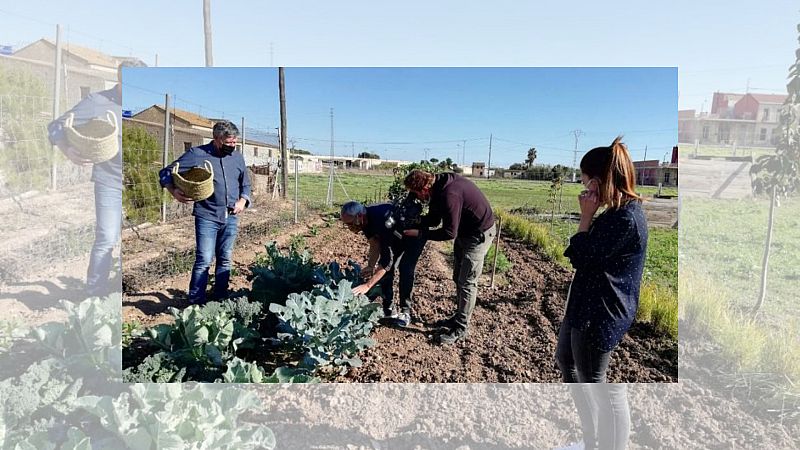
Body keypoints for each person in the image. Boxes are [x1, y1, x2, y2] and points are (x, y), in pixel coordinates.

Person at [554, 136, 646, 450]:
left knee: (600, 386)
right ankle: (592, 440)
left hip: (601, 314)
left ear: (597, 180)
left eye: (585, 182)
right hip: (584, 306)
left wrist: (584, 217)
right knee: (567, 362)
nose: (584, 190)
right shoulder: (614, 213)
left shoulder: (624, 219)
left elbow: (580, 256)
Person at [47, 60, 145, 297]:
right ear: (120, 79)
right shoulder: (97, 102)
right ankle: (94, 294)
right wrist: (67, 150)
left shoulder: (140, 105)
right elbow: (56, 126)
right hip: (109, 180)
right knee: (107, 237)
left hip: (136, 183)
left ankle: (117, 288)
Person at [159, 120, 251, 304]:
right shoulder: (197, 154)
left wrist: (243, 200)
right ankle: (196, 301)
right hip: (207, 215)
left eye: (235, 142)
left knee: (225, 259)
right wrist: (173, 190)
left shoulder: (237, 158)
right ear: (216, 139)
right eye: (229, 143)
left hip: (231, 216)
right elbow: (166, 172)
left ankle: (220, 298)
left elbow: (246, 183)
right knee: (204, 260)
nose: (233, 146)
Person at [402, 169, 496, 344]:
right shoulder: (436, 188)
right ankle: (458, 317)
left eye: (415, 193)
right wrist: (416, 220)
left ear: (423, 189)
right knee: (457, 276)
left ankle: (461, 328)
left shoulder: (449, 194)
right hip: (465, 231)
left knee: (467, 282)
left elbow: (449, 232)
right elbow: (434, 219)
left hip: (478, 234)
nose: (414, 197)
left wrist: (421, 233)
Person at [340, 200, 426, 327]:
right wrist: (370, 265)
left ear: (359, 217)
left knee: (405, 269)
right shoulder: (365, 221)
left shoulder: (382, 221)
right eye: (346, 224)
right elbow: (374, 243)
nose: (349, 227)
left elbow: (386, 261)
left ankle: (405, 312)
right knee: (387, 272)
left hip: (412, 237)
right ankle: (389, 309)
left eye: (350, 223)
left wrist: (368, 286)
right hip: (395, 237)